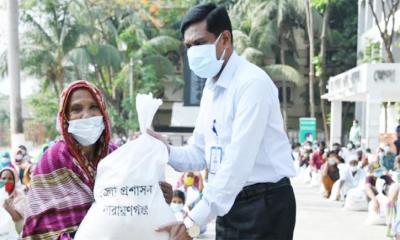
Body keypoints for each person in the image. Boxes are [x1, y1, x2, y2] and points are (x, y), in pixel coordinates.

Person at [150, 3, 296, 239]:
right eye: (188, 46)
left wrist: (191, 221)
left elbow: (238, 163)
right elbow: (199, 152)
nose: (192, 52)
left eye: (199, 43)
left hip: (264, 204)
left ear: (225, 39)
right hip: (228, 202)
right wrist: (163, 150)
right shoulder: (211, 89)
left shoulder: (252, 84)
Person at [22, 80, 173, 239]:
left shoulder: (116, 155)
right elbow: (40, 227)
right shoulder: (55, 158)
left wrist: (157, 195)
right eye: (76, 109)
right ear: (65, 117)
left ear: (103, 112)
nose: (86, 115)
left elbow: (133, 204)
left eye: (94, 107)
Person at [0, 167, 27, 233]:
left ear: (15, 181)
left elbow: (18, 219)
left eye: (10, 179)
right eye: (3, 178)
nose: (6, 181)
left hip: (16, 232)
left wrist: (8, 208)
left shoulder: (20, 196)